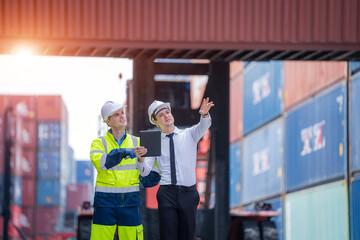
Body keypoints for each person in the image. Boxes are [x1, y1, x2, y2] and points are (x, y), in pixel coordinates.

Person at [135, 97, 214, 240]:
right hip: (167, 194)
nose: (166, 116)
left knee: (187, 235)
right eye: (161, 115)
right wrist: (140, 159)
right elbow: (144, 171)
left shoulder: (189, 134)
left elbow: (204, 125)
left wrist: (204, 114)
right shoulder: (154, 141)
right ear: (156, 122)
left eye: (167, 112)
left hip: (188, 193)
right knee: (168, 236)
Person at [89, 101, 160, 240]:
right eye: (116, 114)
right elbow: (102, 163)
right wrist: (127, 152)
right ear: (108, 121)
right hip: (105, 203)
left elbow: (155, 173)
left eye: (122, 112)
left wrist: (139, 182)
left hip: (130, 202)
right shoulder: (98, 143)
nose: (122, 116)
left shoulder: (139, 142)